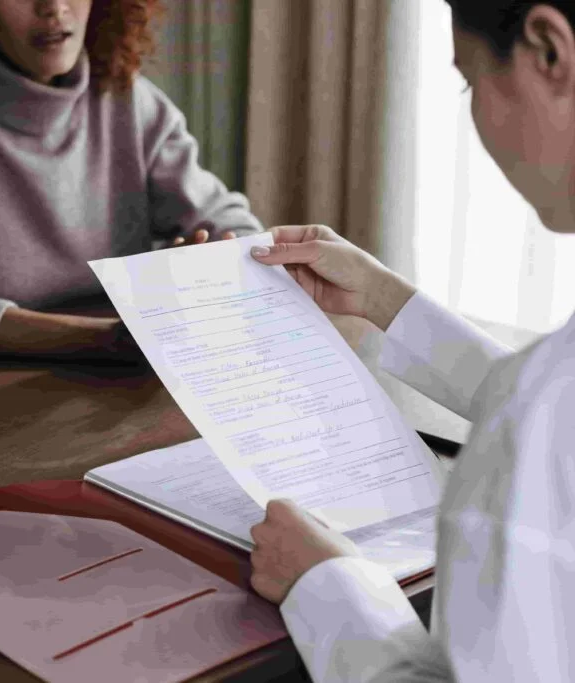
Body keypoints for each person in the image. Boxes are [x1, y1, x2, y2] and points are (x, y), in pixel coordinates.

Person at [246, 1, 575, 680]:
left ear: (549, 51)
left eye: (469, 80)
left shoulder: (542, 412)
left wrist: (327, 580)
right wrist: (383, 300)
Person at [0, 0, 263, 362]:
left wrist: (212, 260)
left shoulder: (128, 98)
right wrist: (98, 341)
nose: (53, 7)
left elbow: (231, 223)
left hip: (123, 374)